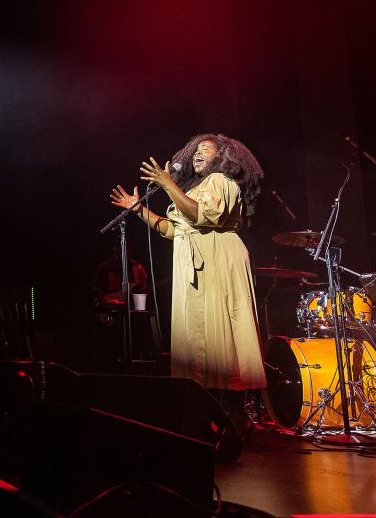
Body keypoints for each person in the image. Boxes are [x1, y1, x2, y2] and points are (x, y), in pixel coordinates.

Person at [110, 133, 267, 436]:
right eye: (196, 151)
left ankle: (233, 422)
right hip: (194, 261)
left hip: (218, 259)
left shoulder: (221, 180)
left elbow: (202, 217)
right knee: (199, 341)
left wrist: (167, 184)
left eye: (206, 151)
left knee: (221, 339)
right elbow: (172, 229)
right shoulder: (195, 188)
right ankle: (207, 422)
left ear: (223, 157)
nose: (197, 154)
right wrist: (138, 209)